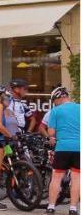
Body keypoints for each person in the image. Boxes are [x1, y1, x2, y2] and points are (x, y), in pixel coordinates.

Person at [43, 86, 79, 215]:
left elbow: (51, 132)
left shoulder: (56, 111)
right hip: (78, 148)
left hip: (62, 148)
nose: (54, 103)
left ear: (60, 97)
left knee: (56, 177)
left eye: (54, 100)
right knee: (76, 179)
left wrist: (54, 137)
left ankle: (51, 206)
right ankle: (73, 208)